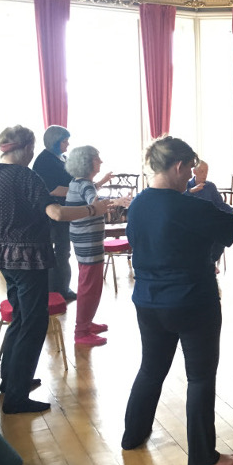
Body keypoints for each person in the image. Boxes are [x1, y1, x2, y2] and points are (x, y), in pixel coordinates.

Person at [121, 136, 233, 465]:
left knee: (151, 369)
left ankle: (132, 435)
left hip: (148, 301)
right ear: (178, 166)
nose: (191, 175)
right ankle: (203, 456)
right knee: (201, 378)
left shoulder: (138, 204)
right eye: (189, 168)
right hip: (193, 302)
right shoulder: (191, 207)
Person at [0, 125, 109, 414]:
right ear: (26, 148)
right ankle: (16, 396)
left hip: (2, 258)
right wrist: (93, 210)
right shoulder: (26, 176)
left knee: (21, 319)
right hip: (30, 259)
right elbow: (57, 213)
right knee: (33, 323)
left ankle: (12, 381)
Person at [32, 125, 111, 301]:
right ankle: (55, 292)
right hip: (53, 214)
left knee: (64, 252)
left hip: (66, 212)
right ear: (55, 142)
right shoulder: (45, 160)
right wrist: (77, 191)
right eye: (64, 141)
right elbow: (52, 189)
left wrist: (92, 185)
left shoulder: (61, 158)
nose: (68, 144)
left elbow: (76, 184)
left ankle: (62, 289)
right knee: (57, 254)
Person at [64, 146, 130, 347]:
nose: (100, 162)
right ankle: (81, 331)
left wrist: (101, 184)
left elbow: (90, 197)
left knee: (89, 283)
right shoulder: (85, 185)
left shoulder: (79, 182)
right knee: (90, 286)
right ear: (88, 162)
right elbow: (94, 202)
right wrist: (117, 200)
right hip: (88, 240)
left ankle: (86, 323)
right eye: (97, 158)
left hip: (82, 238)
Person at [184, 160, 233, 265]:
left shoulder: (210, 186)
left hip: (209, 222)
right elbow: (178, 201)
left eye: (206, 171)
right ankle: (205, 263)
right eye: (201, 171)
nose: (204, 174)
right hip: (192, 224)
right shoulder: (186, 186)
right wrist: (191, 191)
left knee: (223, 235)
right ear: (194, 172)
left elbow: (220, 204)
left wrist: (232, 211)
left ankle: (209, 262)